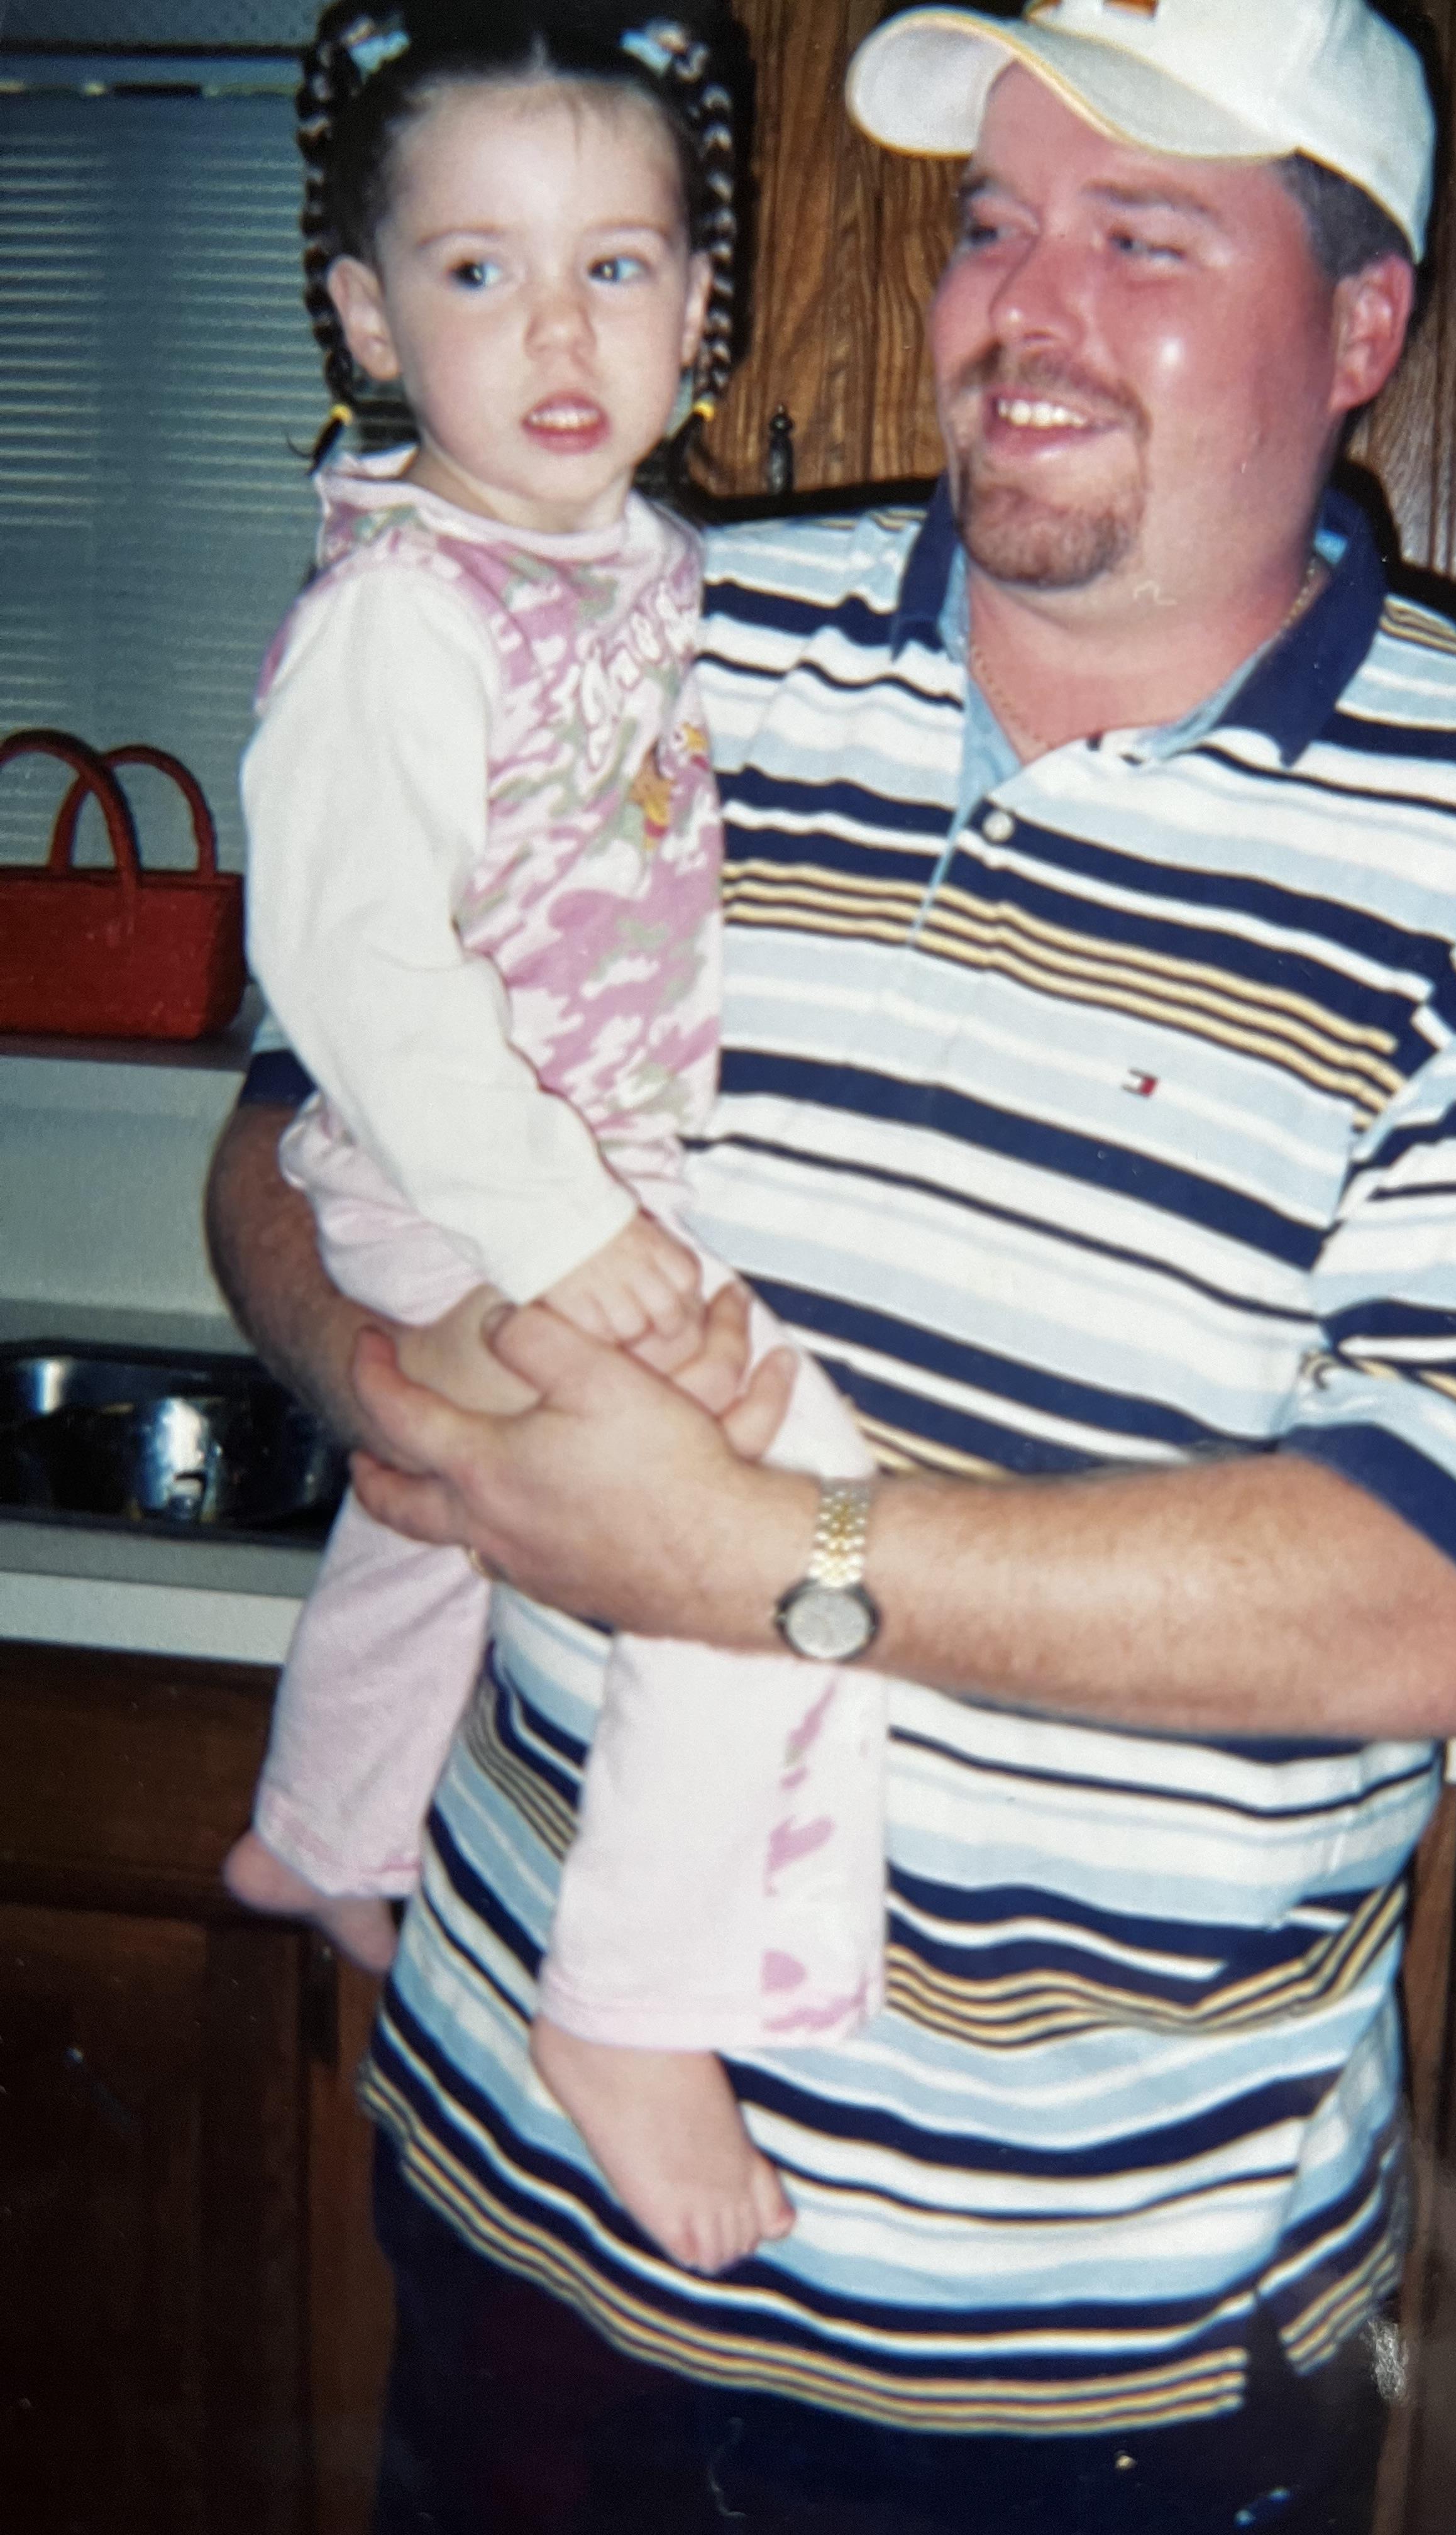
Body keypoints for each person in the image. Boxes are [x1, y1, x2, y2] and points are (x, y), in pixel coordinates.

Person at [207, 0, 1456, 2526]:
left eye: (1144, 237)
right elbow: (292, 1118)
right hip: (512, 2216)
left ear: (1362, 328)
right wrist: (392, 1376)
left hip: (1065, 2351)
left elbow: (1453, 1583)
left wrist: (770, 1562)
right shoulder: (657, 625)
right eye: (996, 224)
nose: (1027, 304)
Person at [223, 0, 892, 2279]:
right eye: (478, 272)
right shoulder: (404, 610)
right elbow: (348, 970)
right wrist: (560, 1224)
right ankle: (632, 1999)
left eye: (617, 265)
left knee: (436, 1525)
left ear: (703, 311)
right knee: (759, 1469)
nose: (556, 329)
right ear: (368, 316)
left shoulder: (635, 565)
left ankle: (321, 1833)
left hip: (556, 1164)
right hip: (455, 1179)